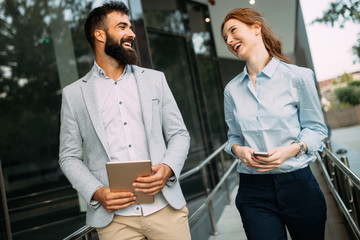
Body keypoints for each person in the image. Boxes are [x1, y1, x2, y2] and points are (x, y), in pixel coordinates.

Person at [58, 1, 191, 239]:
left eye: (130, 26)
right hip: (116, 222)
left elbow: (179, 134)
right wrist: (97, 192)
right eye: (122, 27)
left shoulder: (155, 80)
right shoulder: (74, 94)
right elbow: (68, 157)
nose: (131, 33)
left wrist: (168, 167)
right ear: (100, 35)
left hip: (166, 210)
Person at [221, 8, 328, 240]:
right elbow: (233, 138)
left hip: (298, 184)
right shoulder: (231, 90)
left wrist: (292, 149)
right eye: (225, 38)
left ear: (256, 28)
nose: (229, 40)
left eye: (233, 31)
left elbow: (317, 129)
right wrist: (238, 150)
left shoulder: (299, 77)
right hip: (253, 191)